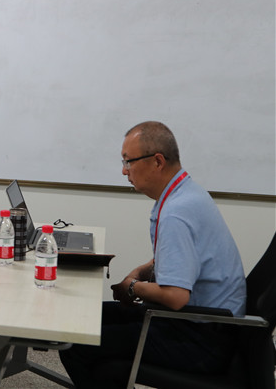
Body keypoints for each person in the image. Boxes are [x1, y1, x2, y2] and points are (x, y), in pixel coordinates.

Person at [59, 121, 246, 388]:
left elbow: (175, 296)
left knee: (75, 343)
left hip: (200, 339)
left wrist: (132, 287)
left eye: (129, 161)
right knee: (84, 319)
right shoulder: (187, 193)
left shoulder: (176, 213)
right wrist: (143, 271)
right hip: (207, 326)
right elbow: (183, 258)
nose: (124, 171)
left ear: (157, 161)